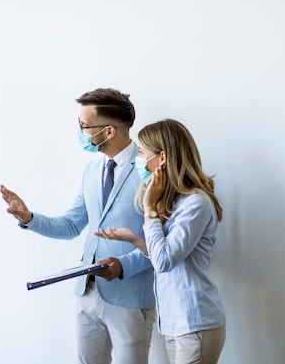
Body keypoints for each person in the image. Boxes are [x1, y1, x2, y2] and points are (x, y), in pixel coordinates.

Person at [0, 88, 156, 364]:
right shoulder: (92, 170)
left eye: (84, 126)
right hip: (87, 292)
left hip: (130, 295)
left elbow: (159, 240)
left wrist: (123, 265)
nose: (81, 131)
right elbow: (72, 225)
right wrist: (28, 217)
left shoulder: (149, 169)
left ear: (109, 131)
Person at [95, 118, 226, 364]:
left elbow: (164, 261)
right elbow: (162, 255)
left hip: (194, 322)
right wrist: (134, 239)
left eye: (142, 153)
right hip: (176, 323)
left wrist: (149, 210)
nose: (139, 161)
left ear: (161, 157)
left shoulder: (195, 203)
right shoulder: (177, 202)